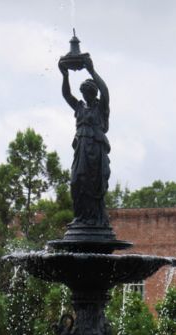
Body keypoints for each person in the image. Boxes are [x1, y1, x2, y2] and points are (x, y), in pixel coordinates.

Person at [58, 57, 111, 229]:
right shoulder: (79, 107)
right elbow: (66, 94)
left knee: (94, 184)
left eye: (88, 93)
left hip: (96, 150)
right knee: (76, 181)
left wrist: (91, 71)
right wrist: (65, 74)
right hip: (81, 148)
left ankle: (95, 219)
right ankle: (80, 217)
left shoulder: (101, 108)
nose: (85, 96)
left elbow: (106, 91)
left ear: (93, 93)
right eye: (83, 93)